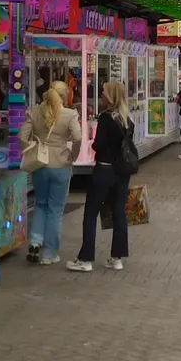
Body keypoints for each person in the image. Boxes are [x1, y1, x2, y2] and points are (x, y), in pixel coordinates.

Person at [68, 82, 133, 272]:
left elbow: (99, 144)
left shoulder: (106, 118)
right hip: (122, 172)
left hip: (104, 170)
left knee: (91, 213)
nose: (102, 96)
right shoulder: (127, 119)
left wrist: (94, 146)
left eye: (104, 93)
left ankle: (86, 258)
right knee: (119, 212)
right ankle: (117, 257)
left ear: (110, 96)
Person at [20, 79, 82, 266]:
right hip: (61, 164)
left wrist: (32, 147)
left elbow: (22, 136)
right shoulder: (69, 114)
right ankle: (49, 253)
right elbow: (78, 137)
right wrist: (73, 155)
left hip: (40, 164)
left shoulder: (35, 112)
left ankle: (35, 241)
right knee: (55, 210)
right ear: (64, 96)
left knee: (40, 204)